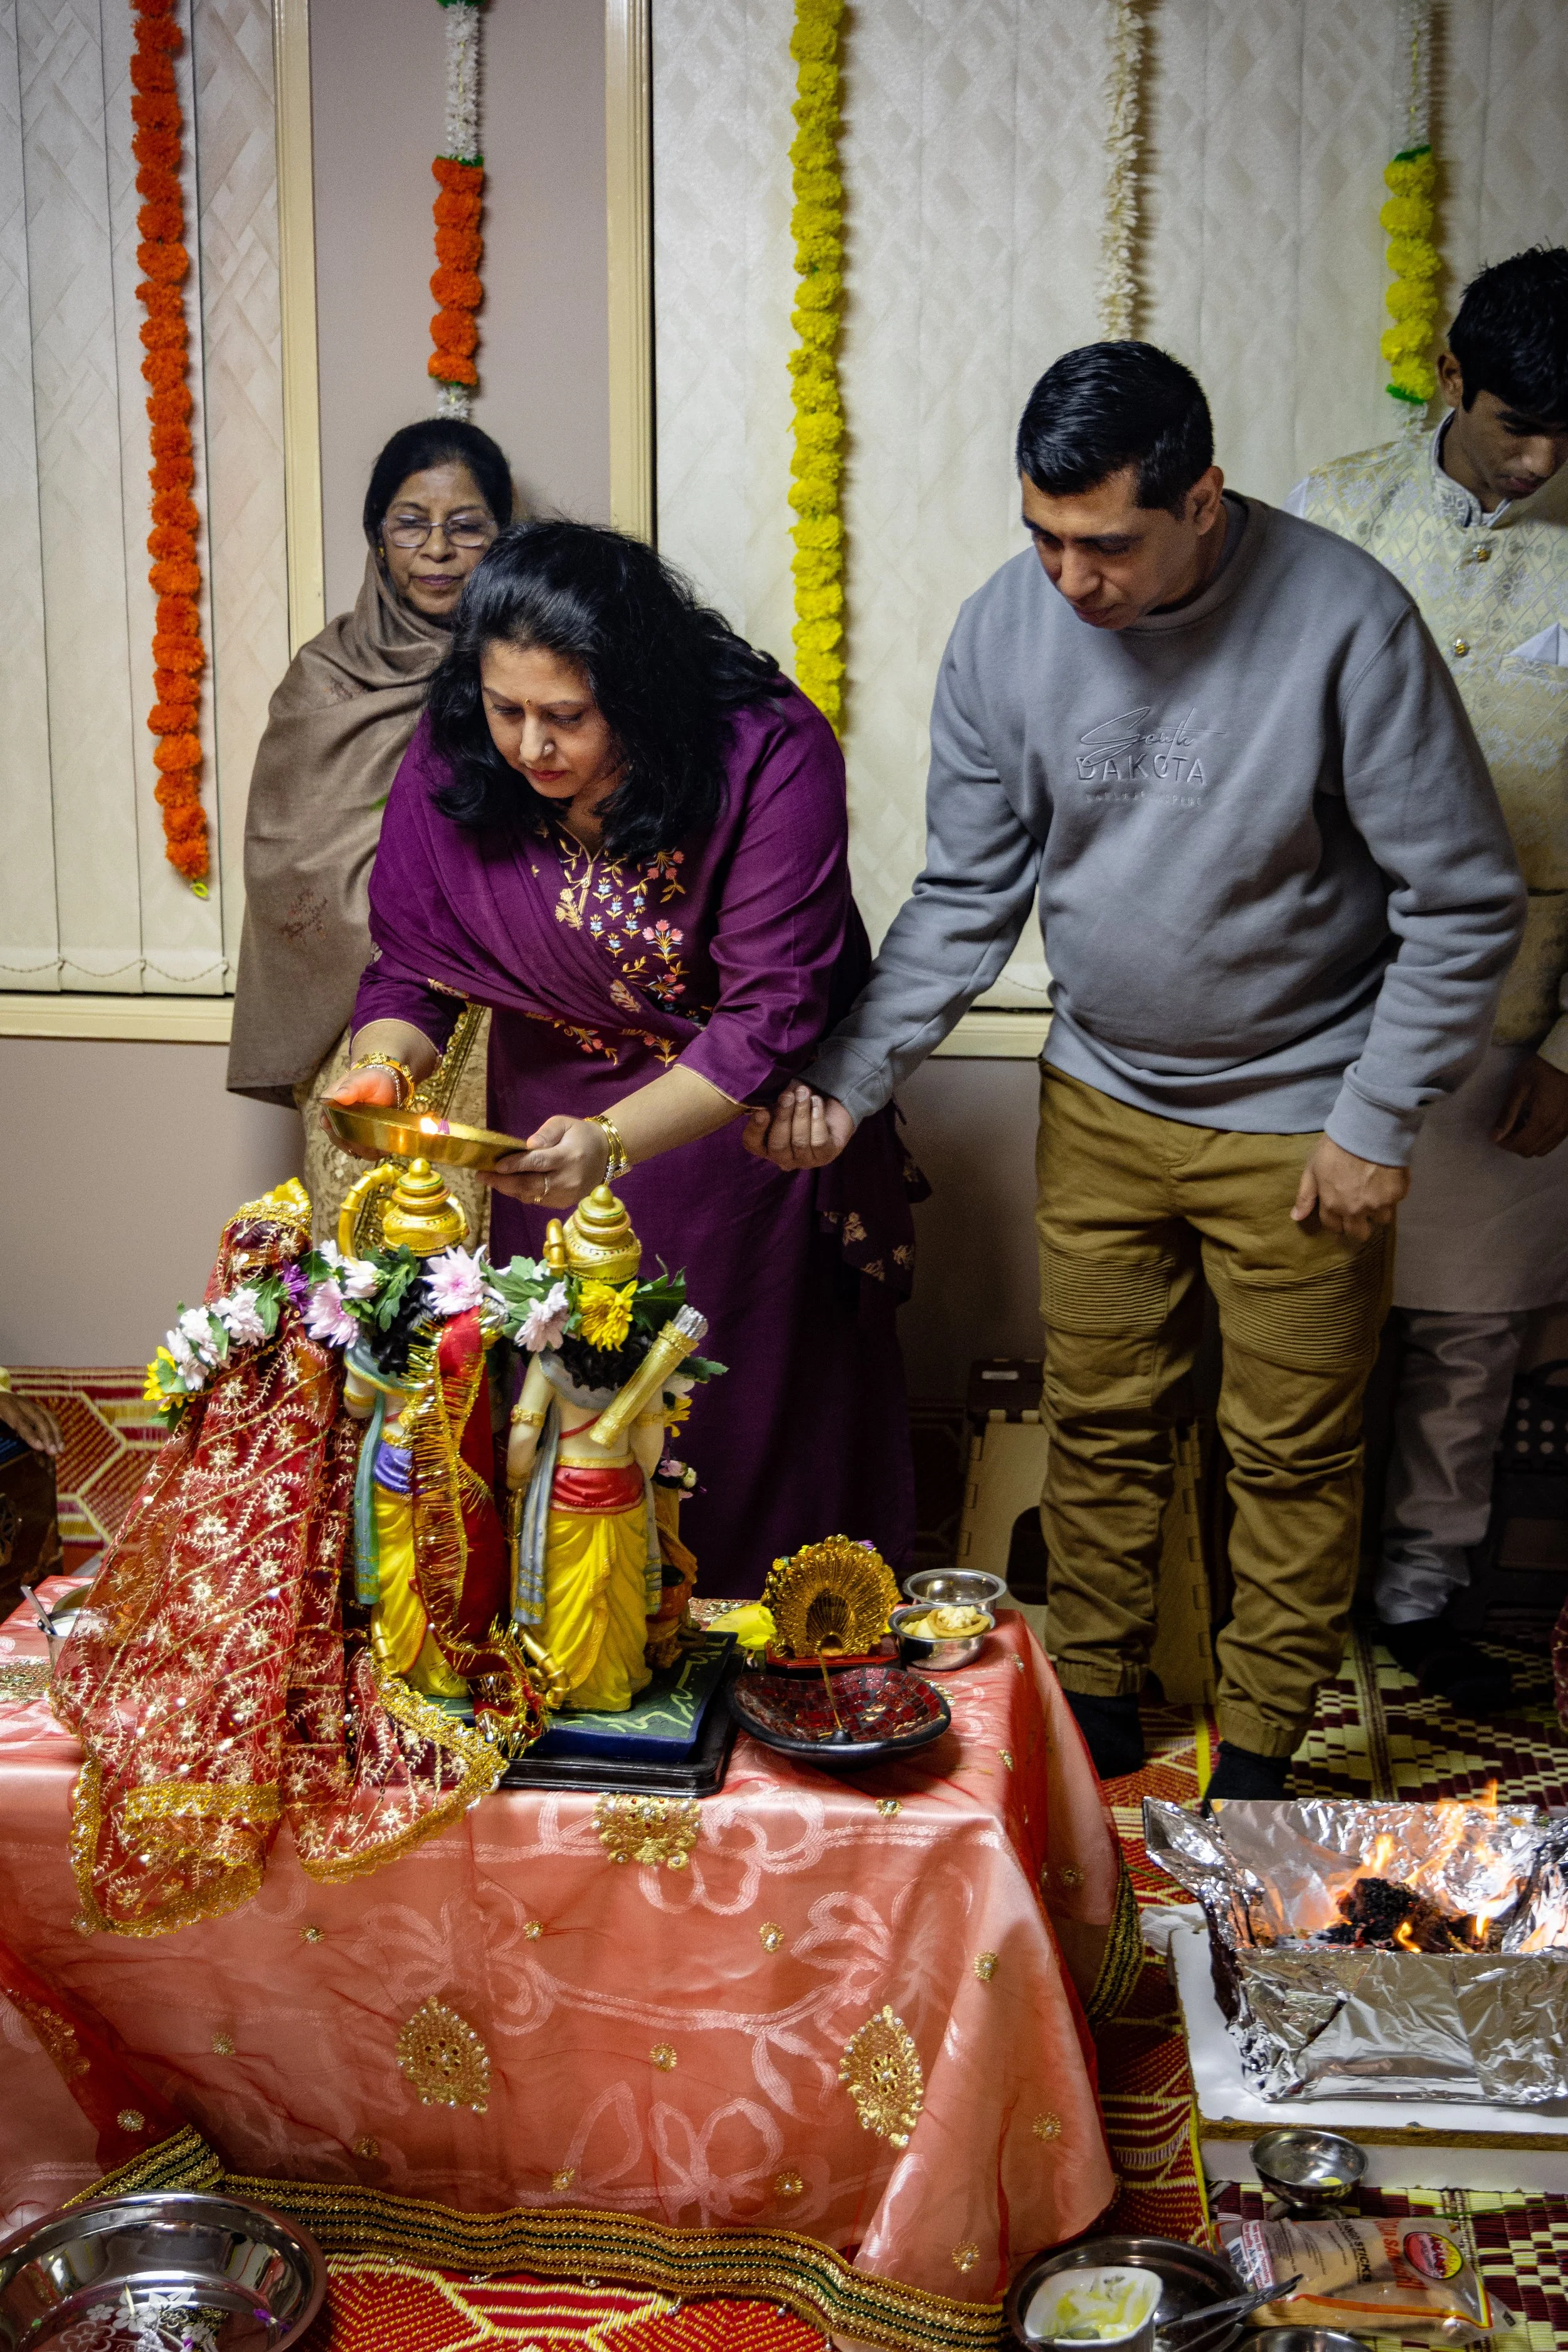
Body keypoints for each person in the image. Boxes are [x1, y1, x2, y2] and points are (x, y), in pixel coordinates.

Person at [748, 341, 1525, 1798]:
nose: (1067, 580)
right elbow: (967, 894)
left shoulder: (1346, 623)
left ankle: (1266, 1751)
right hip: (1101, 1095)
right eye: (1041, 538)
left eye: (1104, 545)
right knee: (1098, 1423)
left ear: (1201, 502)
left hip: (1299, 1118)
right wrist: (846, 1080)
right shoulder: (1004, 629)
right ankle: (1100, 1705)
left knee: (1287, 1456)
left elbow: (1462, 896)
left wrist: (1372, 1118)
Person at [325, 521, 922, 1594]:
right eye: (506, 709)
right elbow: (412, 967)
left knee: (725, 1441)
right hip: (545, 1140)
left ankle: (759, 1706)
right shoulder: (460, 745)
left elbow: (770, 1014)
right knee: (565, 1438)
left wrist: (610, 1143)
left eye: (566, 716)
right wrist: (385, 1069)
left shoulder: (767, 749)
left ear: (640, 694)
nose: (529, 746)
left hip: (736, 1138)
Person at [1287, 250, 1568, 1714]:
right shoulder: (1325, 515)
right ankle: (1286, 1594)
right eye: (1517, 421)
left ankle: (1416, 1598)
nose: (1539, 461)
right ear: (1450, 378)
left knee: (1467, 1341)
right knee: (1304, 1315)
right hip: (1317, 1011)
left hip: (1510, 1025)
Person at [227, 418, 516, 1239]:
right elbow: (292, 864)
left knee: (498, 1279)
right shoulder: (326, 677)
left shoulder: (530, 671)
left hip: (507, 1016)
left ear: (501, 539)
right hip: (360, 1015)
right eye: (410, 523)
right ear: (377, 537)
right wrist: (419, 931)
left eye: (466, 526)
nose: (436, 549)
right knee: (367, 1271)